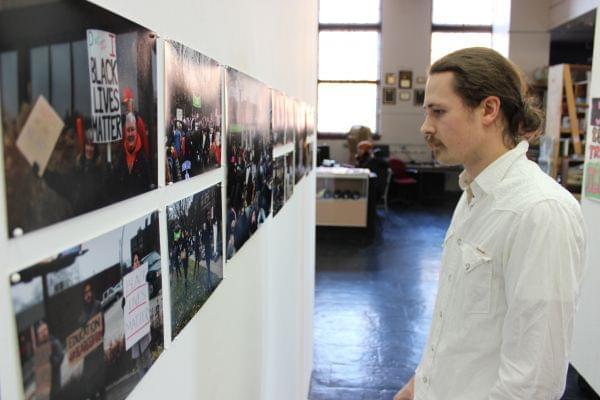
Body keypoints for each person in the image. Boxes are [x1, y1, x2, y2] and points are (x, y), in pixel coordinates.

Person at [394, 47, 586, 400]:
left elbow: (533, 383)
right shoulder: (473, 195)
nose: (426, 127)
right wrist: (421, 383)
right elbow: (455, 322)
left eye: (438, 112)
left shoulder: (540, 211)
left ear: (489, 109)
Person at [113, 113, 152, 200]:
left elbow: (148, 191)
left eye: (132, 129)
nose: (130, 134)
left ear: (137, 131)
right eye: (128, 130)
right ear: (125, 132)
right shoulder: (120, 157)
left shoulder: (143, 159)